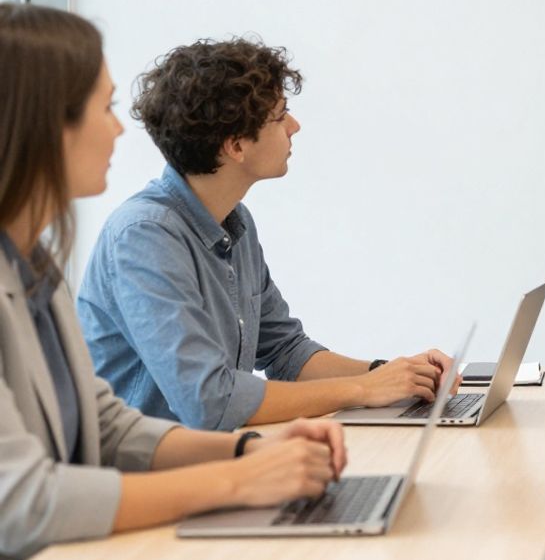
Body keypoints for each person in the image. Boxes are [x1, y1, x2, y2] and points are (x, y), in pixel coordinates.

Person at [0, 3, 348, 560]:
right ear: (43, 126)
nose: (120, 128)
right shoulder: (141, 233)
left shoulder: (35, 262)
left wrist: (247, 450)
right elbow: (22, 502)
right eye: (106, 108)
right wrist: (239, 478)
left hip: (84, 548)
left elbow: (105, 424)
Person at [78, 37, 453, 431]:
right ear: (236, 145)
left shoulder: (234, 221)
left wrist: (397, 375)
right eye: (280, 116)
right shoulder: (144, 237)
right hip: (146, 468)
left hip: (218, 456)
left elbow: (286, 352)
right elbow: (211, 402)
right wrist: (364, 389)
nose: (295, 126)